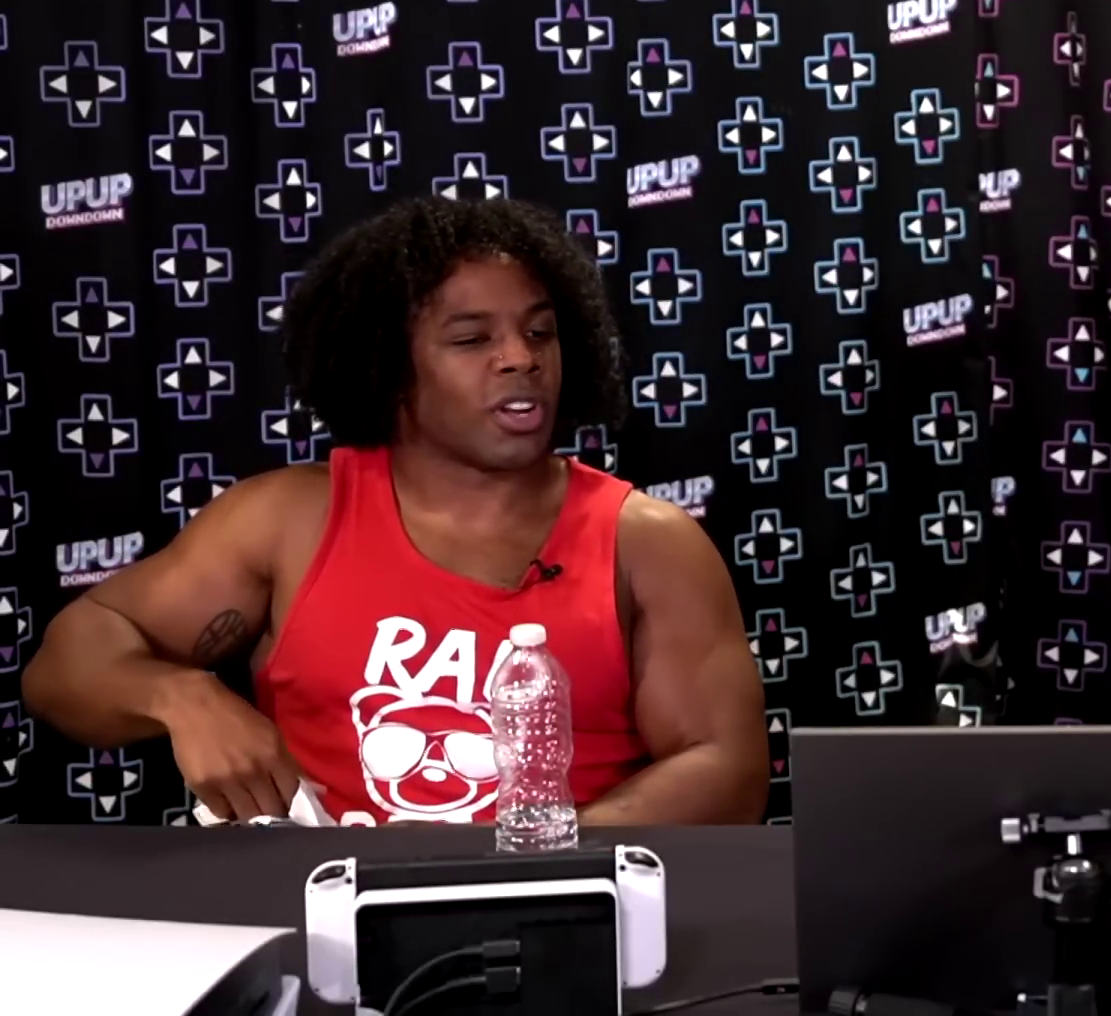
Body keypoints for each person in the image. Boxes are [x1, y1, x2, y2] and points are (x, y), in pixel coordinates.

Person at [23, 197, 771, 826]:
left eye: (540, 332)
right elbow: (66, 665)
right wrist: (181, 698)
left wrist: (528, 857)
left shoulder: (646, 542)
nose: (521, 357)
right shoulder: (288, 519)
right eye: (472, 339)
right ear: (387, 368)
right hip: (323, 922)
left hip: (557, 919)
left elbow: (726, 769)